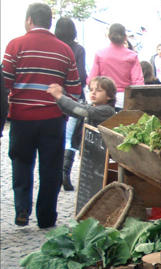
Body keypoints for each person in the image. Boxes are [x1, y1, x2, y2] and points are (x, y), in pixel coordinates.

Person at [2, 3, 81, 228]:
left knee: (21, 163)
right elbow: (75, 90)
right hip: (53, 120)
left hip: (21, 118)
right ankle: (46, 217)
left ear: (29, 20)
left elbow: (4, 83)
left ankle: (22, 210)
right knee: (50, 168)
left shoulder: (15, 45)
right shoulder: (65, 50)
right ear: (50, 22)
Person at [54, 16, 86, 191]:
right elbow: (81, 76)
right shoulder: (78, 49)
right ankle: (65, 172)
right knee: (69, 137)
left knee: (58, 135)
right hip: (73, 98)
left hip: (54, 97)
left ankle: (56, 171)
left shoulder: (53, 47)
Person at [88, 23, 143, 109]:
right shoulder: (132, 56)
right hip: (125, 98)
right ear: (125, 37)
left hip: (103, 97)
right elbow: (138, 82)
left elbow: (91, 79)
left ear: (109, 36)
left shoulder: (100, 54)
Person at [47, 76, 117, 128]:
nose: (93, 93)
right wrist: (58, 98)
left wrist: (60, 96)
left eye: (99, 90)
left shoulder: (107, 110)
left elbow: (83, 111)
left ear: (109, 96)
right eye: (91, 90)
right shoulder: (92, 106)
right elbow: (72, 111)